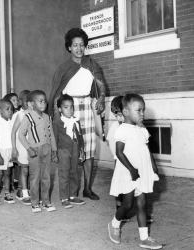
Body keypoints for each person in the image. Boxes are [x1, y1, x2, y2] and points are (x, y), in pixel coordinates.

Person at [48, 28, 106, 200]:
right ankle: (68, 192)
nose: (79, 48)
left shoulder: (92, 65)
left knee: (89, 149)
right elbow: (56, 93)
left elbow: (101, 86)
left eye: (82, 45)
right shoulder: (63, 68)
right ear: (69, 47)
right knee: (70, 150)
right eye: (75, 45)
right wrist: (58, 117)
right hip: (68, 110)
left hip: (88, 108)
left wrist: (101, 97)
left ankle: (87, 188)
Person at [108, 94, 162, 249]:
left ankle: (144, 238)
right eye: (139, 111)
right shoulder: (122, 130)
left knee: (142, 204)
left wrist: (153, 165)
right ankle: (114, 224)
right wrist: (131, 170)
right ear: (125, 112)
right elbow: (119, 153)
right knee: (128, 204)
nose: (142, 114)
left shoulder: (142, 130)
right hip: (128, 171)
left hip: (142, 171)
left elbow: (147, 149)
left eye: (143, 110)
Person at [19, 90, 58, 213]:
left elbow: (51, 133)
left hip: (46, 148)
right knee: (35, 177)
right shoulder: (28, 117)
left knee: (46, 176)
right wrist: (29, 149)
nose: (43, 103)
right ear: (31, 104)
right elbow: (20, 134)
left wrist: (54, 149)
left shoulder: (47, 117)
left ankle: (46, 201)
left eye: (44, 101)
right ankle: (35, 203)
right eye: (40, 101)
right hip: (34, 150)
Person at [53, 94, 86, 209]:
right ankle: (64, 198)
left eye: (71, 107)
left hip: (75, 148)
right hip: (63, 149)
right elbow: (54, 138)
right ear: (60, 109)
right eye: (66, 107)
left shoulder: (76, 121)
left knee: (74, 172)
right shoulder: (57, 122)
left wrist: (81, 149)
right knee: (64, 173)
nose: (69, 110)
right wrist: (54, 152)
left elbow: (80, 136)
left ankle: (73, 195)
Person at [0, 99, 15, 205]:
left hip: (9, 150)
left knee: (8, 172)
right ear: (0, 110)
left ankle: (7, 193)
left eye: (11, 109)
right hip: (0, 151)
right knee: (0, 173)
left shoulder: (10, 121)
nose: (10, 111)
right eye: (7, 109)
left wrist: (14, 151)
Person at [11, 90, 31, 205]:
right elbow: (13, 132)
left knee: (33, 169)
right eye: (27, 101)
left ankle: (29, 189)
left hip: (33, 145)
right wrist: (14, 148)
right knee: (24, 169)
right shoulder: (19, 115)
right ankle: (24, 192)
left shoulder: (37, 114)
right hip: (22, 146)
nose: (30, 104)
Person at [4, 92, 20, 190]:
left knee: (18, 162)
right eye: (13, 100)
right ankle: (7, 182)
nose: (16, 101)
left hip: (17, 140)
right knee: (9, 163)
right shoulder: (7, 114)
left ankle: (16, 180)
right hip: (8, 141)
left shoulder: (19, 113)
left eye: (17, 99)